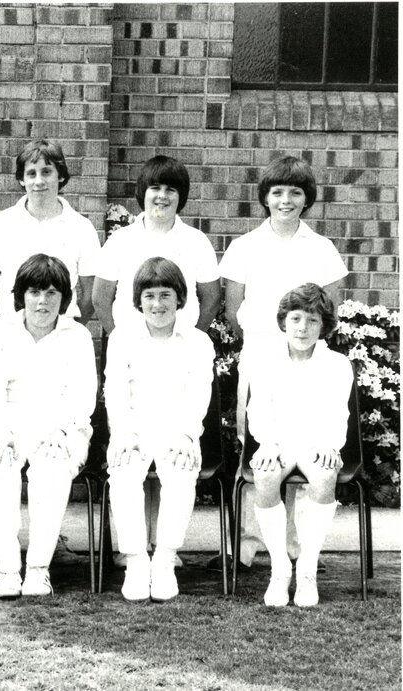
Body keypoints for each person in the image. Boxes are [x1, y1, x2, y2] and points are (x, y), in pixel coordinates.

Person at [218, 155, 348, 569]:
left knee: (303, 442)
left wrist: (302, 340)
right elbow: (234, 309)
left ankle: (295, 545)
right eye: (277, 192)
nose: (286, 200)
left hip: (308, 356)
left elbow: (332, 308)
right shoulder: (244, 247)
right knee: (258, 446)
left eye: (295, 193)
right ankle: (248, 543)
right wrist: (265, 345)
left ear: (306, 199)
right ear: (265, 198)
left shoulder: (322, 249)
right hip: (260, 355)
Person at [0, 255, 96, 599]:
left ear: (64, 298)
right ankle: (8, 569)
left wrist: (61, 432)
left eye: (52, 293)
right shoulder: (0, 331)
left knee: (52, 468)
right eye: (34, 292)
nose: (43, 302)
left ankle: (39, 570)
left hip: (61, 426)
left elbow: (83, 396)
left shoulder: (78, 336)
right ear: (21, 295)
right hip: (7, 421)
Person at [103, 257, 215, 602]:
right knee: (123, 472)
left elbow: (200, 394)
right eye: (149, 296)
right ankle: (136, 561)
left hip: (178, 429)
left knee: (181, 471)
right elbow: (116, 391)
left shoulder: (197, 342)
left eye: (166, 295)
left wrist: (186, 435)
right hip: (132, 428)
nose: (157, 304)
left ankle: (165, 560)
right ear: (138, 301)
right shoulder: (122, 338)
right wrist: (123, 434)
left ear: (180, 298)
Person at [246, 284, 351, 607]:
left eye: (312, 320)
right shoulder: (266, 361)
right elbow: (258, 408)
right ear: (284, 321)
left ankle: (306, 570)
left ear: (324, 326)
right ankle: (280, 570)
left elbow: (338, 411)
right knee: (264, 477)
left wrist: (330, 444)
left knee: (323, 476)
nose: (302, 328)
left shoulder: (336, 364)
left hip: (315, 442)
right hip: (278, 442)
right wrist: (266, 443)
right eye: (295, 319)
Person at [0, 138, 100, 324]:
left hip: (62, 334)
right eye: (31, 174)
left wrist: (68, 329)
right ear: (21, 179)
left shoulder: (82, 228)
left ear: (61, 176)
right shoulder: (1, 224)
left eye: (47, 172)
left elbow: (91, 293)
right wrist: (5, 327)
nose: (39, 181)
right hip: (11, 332)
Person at [92, 155, 221, 335]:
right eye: (155, 188)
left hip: (180, 349)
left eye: (170, 190)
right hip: (130, 349)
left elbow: (212, 299)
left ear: (180, 196)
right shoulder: (119, 241)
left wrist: (191, 340)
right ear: (143, 192)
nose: (162, 196)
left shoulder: (197, 242)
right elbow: (100, 299)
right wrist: (119, 339)